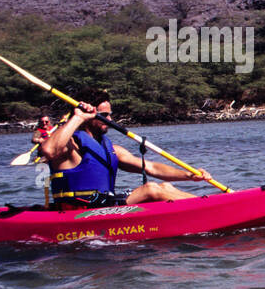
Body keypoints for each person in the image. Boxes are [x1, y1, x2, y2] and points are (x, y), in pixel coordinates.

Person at [39, 89, 210, 208]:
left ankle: (208, 204)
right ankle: (208, 209)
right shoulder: (71, 146)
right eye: (104, 115)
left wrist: (188, 175)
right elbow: (49, 151)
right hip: (79, 209)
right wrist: (78, 117)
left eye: (110, 114)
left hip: (103, 204)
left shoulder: (111, 149)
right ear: (90, 116)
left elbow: (151, 167)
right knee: (150, 189)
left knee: (165, 187)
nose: (110, 119)